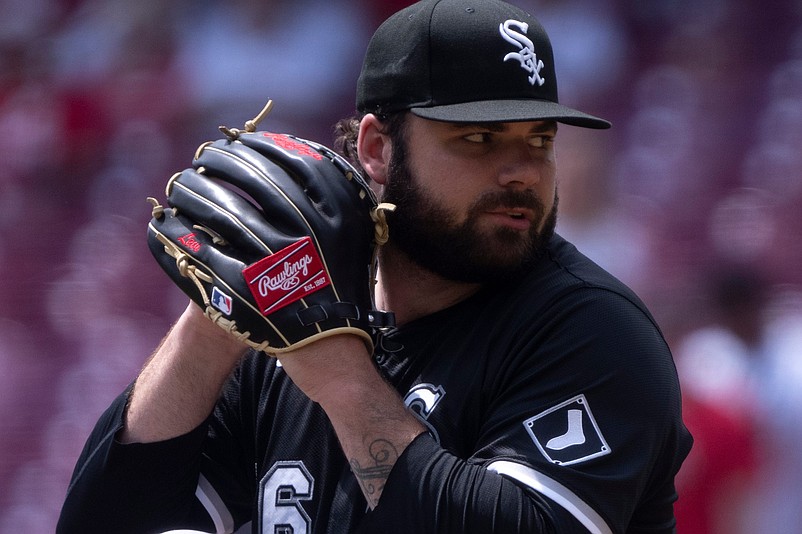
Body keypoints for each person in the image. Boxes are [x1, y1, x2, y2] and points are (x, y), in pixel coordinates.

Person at [57, 0, 692, 532]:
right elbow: (110, 520)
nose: (521, 171)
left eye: (540, 140)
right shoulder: (286, 327)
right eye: (479, 139)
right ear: (377, 149)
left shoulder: (592, 334)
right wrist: (212, 315)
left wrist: (337, 373)